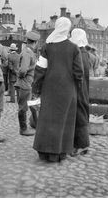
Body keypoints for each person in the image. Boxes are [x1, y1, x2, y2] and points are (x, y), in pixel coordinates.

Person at [32, 17, 84, 162]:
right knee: (64, 120)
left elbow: (40, 69)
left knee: (47, 119)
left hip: (49, 89)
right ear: (67, 29)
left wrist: (36, 88)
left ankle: (43, 151)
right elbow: (79, 73)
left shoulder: (47, 46)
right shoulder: (74, 48)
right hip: (67, 90)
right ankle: (59, 153)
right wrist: (77, 89)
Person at [14, 31, 40, 136]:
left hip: (29, 83)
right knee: (23, 107)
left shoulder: (29, 52)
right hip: (24, 83)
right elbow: (23, 70)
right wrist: (21, 75)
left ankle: (38, 125)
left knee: (33, 105)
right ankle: (23, 129)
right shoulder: (27, 53)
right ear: (35, 42)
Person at [69, 28, 90, 156]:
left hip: (79, 88)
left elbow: (78, 73)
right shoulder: (84, 52)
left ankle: (82, 145)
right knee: (80, 113)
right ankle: (79, 143)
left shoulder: (79, 54)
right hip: (83, 87)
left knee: (80, 115)